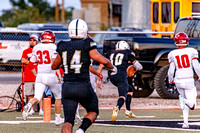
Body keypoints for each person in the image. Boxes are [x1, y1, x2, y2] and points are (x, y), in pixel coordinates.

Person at [51, 19, 116, 133]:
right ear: (84, 31)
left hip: (67, 87)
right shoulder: (87, 44)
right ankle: (81, 130)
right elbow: (102, 60)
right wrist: (113, 67)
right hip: (83, 85)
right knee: (93, 111)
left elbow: (54, 66)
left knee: (68, 121)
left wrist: (66, 62)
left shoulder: (62, 45)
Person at [22, 30, 64, 126]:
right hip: (50, 75)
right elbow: (54, 62)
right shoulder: (53, 47)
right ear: (51, 38)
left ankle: (28, 105)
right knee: (58, 97)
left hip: (40, 76)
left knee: (37, 97)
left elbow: (32, 62)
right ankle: (57, 119)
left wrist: (37, 71)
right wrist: (60, 69)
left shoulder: (36, 47)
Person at [97, 40, 143, 121]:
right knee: (123, 95)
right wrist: (135, 68)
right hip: (121, 75)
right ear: (125, 47)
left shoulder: (109, 52)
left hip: (111, 76)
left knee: (129, 89)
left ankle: (128, 111)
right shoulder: (127, 52)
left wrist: (98, 80)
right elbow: (139, 66)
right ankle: (117, 107)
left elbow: (100, 66)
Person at [168, 32, 200, 129]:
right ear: (186, 41)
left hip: (178, 80)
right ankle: (184, 100)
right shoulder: (192, 51)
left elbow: (171, 70)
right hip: (189, 80)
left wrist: (170, 79)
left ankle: (185, 123)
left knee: (185, 102)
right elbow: (196, 66)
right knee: (193, 105)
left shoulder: (172, 53)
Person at [21, 34, 43, 115]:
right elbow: (23, 60)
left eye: (34, 40)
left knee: (39, 94)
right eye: (31, 40)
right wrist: (33, 61)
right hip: (29, 76)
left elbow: (41, 60)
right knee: (30, 94)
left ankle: (41, 109)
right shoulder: (25, 51)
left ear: (37, 41)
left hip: (38, 76)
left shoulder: (40, 50)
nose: (32, 42)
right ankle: (31, 109)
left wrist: (30, 61)